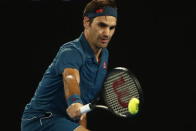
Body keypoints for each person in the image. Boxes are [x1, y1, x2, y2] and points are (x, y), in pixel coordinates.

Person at [21, 0, 118, 131]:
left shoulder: (104, 55)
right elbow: (70, 78)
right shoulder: (71, 51)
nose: (107, 33)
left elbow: (83, 107)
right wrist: (74, 101)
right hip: (41, 120)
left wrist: (80, 118)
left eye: (111, 28)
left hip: (65, 122)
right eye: (102, 25)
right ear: (86, 22)